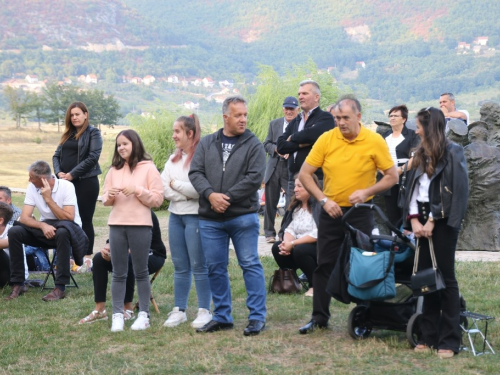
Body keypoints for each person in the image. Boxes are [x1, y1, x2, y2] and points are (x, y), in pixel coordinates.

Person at [297, 96, 398, 333]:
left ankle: (365, 316)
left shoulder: (374, 141)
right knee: (324, 265)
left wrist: (367, 192)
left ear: (359, 117)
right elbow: (304, 174)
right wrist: (323, 199)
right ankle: (319, 318)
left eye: (345, 118)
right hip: (330, 212)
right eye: (337, 118)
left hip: (361, 212)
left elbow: (393, 176)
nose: (340, 123)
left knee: (364, 264)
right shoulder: (327, 138)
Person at [189, 95, 267, 336]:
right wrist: (211, 195)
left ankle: (256, 317)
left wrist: (227, 198)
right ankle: (222, 316)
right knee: (215, 268)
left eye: (245, 115)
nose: (243, 119)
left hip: (242, 217)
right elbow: (195, 172)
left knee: (250, 264)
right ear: (226, 117)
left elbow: (254, 177)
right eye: (238, 115)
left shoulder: (254, 144)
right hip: (210, 219)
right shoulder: (208, 143)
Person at [403, 107, 468, 359]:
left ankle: (450, 341)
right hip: (420, 221)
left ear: (429, 127)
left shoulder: (453, 152)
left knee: (446, 280)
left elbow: (457, 191)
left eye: (419, 126)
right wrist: (414, 221)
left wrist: (432, 219)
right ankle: (428, 336)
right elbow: (413, 189)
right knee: (427, 281)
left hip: (442, 222)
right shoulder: (419, 153)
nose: (416, 129)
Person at [102, 129, 163, 332]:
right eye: (119, 144)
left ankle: (143, 314)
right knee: (119, 272)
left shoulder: (149, 168)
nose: (121, 148)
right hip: (117, 225)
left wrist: (138, 190)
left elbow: (157, 199)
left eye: (125, 144)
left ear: (134, 144)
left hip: (141, 225)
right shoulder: (113, 170)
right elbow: (105, 200)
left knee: (141, 272)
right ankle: (117, 315)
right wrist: (109, 195)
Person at [5, 160, 87, 302]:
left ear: (43, 179)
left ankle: (60, 288)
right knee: (15, 231)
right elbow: (24, 217)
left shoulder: (67, 186)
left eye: (31, 177)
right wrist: (42, 226)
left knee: (62, 232)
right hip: (46, 228)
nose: (29, 180)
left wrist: (48, 199)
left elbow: (68, 218)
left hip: (69, 229)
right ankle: (18, 284)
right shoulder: (32, 187)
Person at [161, 114, 212, 329]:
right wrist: (185, 191)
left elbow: (200, 189)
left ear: (190, 134)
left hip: (196, 218)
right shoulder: (172, 160)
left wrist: (177, 186)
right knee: (180, 265)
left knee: (199, 265)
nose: (173, 136)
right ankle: (179, 310)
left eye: (177, 132)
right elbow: (163, 188)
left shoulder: (203, 157)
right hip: (176, 217)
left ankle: (204, 310)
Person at [78, 210, 166, 324]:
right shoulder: (120, 212)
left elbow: (144, 244)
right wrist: (108, 250)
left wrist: (117, 254)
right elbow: (113, 240)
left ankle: (128, 308)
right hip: (125, 254)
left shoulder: (146, 213)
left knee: (127, 259)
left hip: (153, 254)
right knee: (99, 259)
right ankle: (100, 309)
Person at [53, 102, 102, 258]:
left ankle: (86, 257)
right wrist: (58, 172)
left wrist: (72, 174)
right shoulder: (67, 134)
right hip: (65, 183)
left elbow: (93, 157)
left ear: (85, 114)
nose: (74, 117)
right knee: (66, 218)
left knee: (85, 219)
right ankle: (69, 256)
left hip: (86, 182)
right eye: (71, 115)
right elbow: (56, 156)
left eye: (77, 114)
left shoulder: (93, 133)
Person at [277, 80, 335, 208]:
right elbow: (280, 145)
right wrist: (299, 145)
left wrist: (293, 137)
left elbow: (311, 134)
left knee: (315, 217)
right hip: (293, 178)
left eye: (304, 93)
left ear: (316, 97)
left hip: (316, 178)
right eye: (299, 94)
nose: (300, 97)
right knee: (291, 216)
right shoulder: (296, 120)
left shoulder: (325, 118)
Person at [271, 174, 321, 297]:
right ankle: (292, 282)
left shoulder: (319, 206)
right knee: (277, 247)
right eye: (295, 186)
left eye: (299, 186)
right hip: (299, 247)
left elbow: (317, 233)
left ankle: (316, 286)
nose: (295, 189)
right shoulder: (296, 207)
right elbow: (290, 228)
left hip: (319, 248)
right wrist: (286, 243)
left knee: (300, 250)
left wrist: (292, 244)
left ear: (310, 187)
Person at [263, 96, 300, 243]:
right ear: (283, 109)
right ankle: (269, 233)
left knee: (291, 202)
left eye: (292, 109)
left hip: (290, 168)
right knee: (270, 202)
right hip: (273, 167)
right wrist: (277, 150)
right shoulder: (274, 124)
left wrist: (290, 152)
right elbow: (266, 143)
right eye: (287, 108)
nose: (289, 111)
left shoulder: (301, 125)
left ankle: (284, 233)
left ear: (297, 110)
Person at [381, 105, 420, 226]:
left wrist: (400, 170)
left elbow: (416, 157)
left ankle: (409, 239)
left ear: (404, 119)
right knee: (391, 212)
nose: (392, 118)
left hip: (406, 178)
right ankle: (395, 240)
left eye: (396, 116)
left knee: (406, 209)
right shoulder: (384, 136)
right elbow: (376, 156)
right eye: (391, 116)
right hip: (388, 179)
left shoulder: (413, 135)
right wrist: (384, 172)